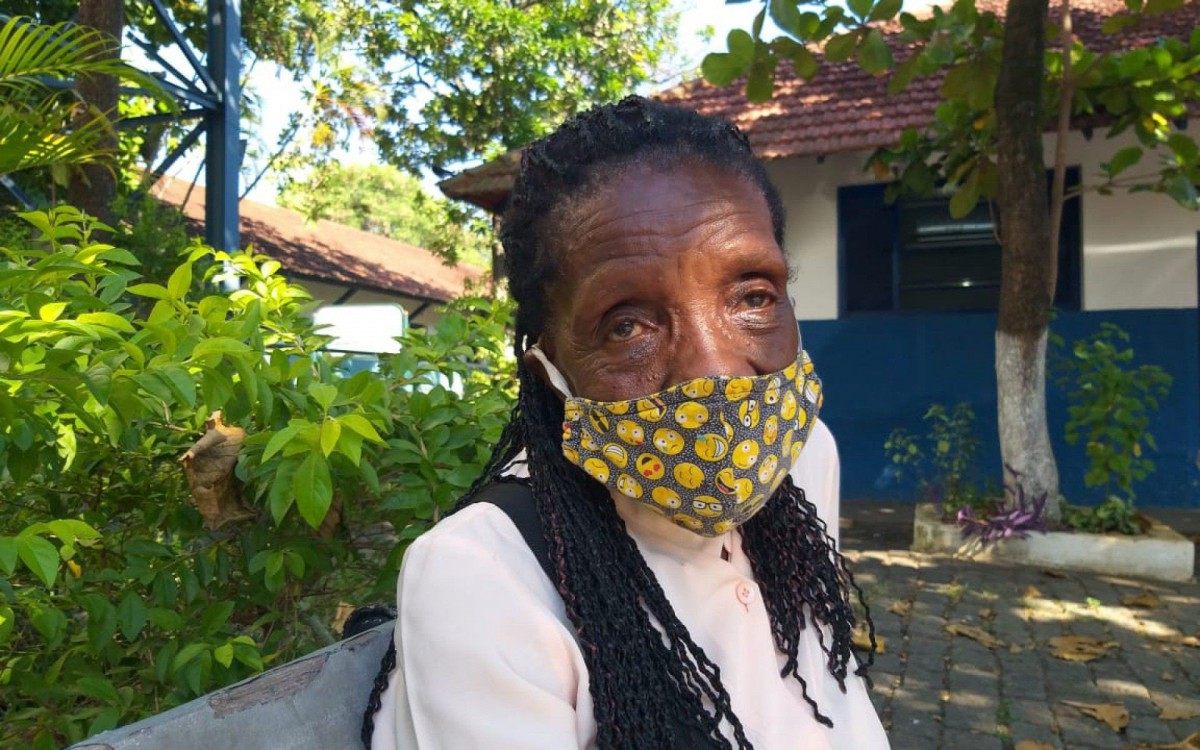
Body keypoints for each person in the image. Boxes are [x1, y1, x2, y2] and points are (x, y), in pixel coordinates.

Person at [367, 96, 890, 749]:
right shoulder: (483, 578)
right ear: (549, 373)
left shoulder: (809, 458)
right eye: (627, 326)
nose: (717, 375)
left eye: (752, 296)